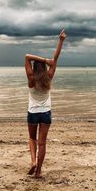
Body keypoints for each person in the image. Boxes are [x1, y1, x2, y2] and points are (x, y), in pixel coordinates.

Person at [24, 29, 66, 178]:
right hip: (46, 114)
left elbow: (27, 56)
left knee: (32, 138)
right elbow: (56, 59)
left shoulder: (31, 79)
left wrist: (43, 60)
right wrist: (60, 41)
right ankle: (39, 171)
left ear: (35, 68)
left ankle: (33, 162)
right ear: (45, 68)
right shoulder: (48, 77)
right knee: (42, 143)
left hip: (33, 113)